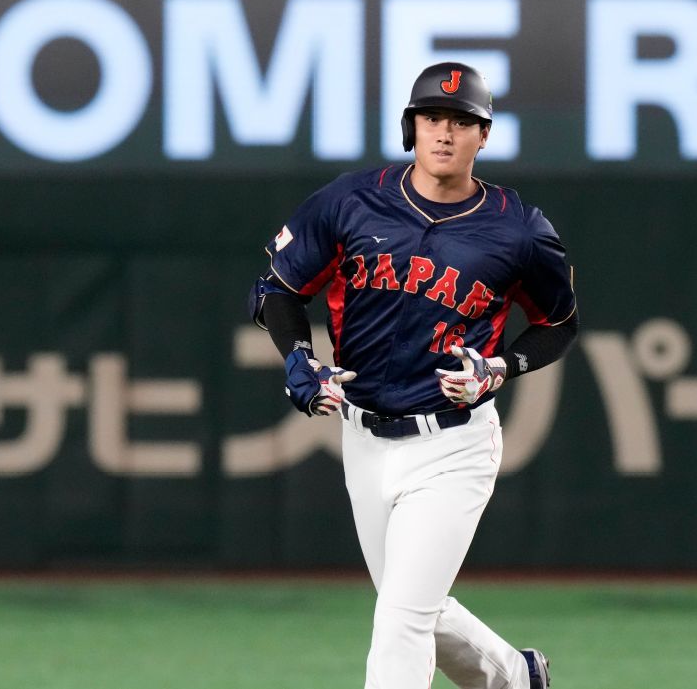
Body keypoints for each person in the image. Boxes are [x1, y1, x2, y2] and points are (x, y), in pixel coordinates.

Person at [248, 61, 578, 689]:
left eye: (462, 121)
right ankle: (514, 677)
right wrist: (297, 355)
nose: (445, 133)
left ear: (485, 135)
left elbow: (560, 323)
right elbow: (277, 290)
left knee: (399, 622)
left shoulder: (519, 229)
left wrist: (503, 367)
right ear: (411, 128)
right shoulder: (351, 201)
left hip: (453, 441)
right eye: (432, 118)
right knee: (415, 606)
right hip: (363, 435)